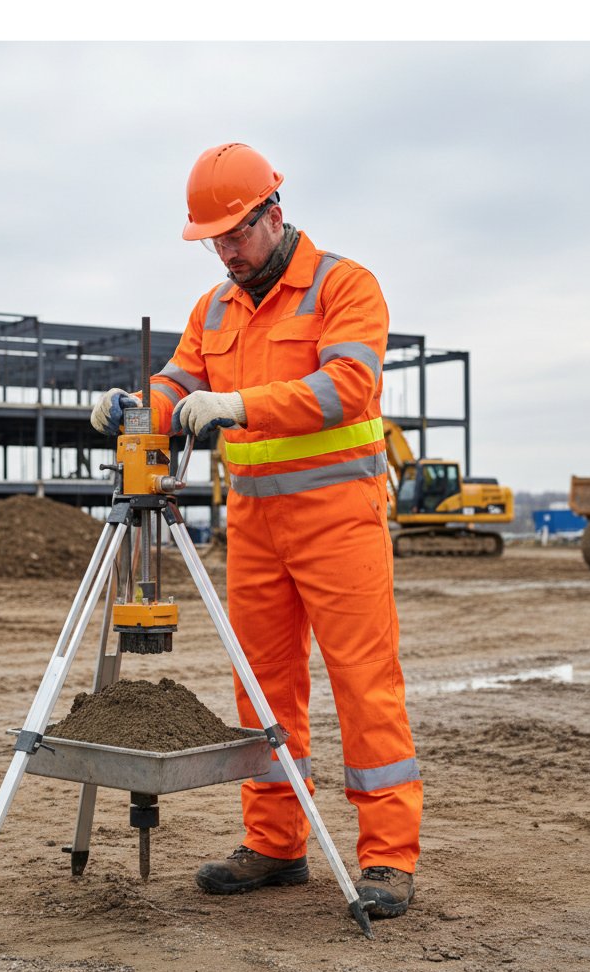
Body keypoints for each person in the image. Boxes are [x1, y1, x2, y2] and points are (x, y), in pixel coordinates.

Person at [91, 143, 422, 918]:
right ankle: (277, 845)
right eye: (213, 240)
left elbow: (348, 387)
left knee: (364, 684)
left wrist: (242, 406)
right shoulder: (214, 308)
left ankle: (388, 859)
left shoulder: (345, 285)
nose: (226, 252)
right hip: (257, 524)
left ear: (274, 214)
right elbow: (178, 381)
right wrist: (134, 407)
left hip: (340, 520)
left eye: (235, 234)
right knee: (262, 689)